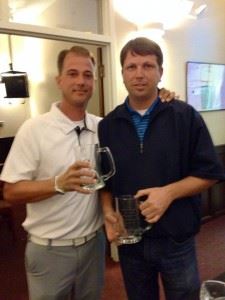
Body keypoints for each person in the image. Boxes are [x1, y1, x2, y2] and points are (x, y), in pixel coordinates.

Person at [0, 45, 175, 300]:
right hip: (50, 250)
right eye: (72, 73)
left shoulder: (102, 126)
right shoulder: (33, 129)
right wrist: (58, 183)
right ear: (59, 80)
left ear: (95, 79)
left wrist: (163, 96)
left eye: (87, 75)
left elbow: (109, 179)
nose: (81, 81)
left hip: (94, 246)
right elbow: (11, 191)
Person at [98, 37, 225, 300]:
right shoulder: (108, 125)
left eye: (148, 65)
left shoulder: (185, 116)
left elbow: (211, 172)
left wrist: (169, 193)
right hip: (131, 244)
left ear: (160, 72)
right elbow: (106, 181)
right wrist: (108, 212)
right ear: (122, 73)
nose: (139, 74)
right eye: (131, 67)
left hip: (176, 240)